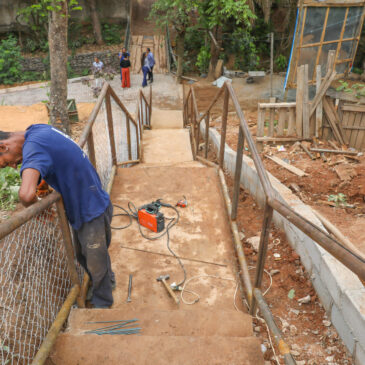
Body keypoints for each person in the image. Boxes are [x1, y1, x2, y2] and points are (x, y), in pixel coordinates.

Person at [0, 127, 115, 309]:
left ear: (3, 147)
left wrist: (39, 208)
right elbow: (56, 158)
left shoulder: (33, 147)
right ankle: (106, 282)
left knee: (95, 260)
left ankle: (102, 303)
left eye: (5, 163)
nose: (13, 166)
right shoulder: (37, 130)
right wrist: (44, 182)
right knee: (84, 255)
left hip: (91, 209)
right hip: (87, 203)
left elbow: (25, 195)